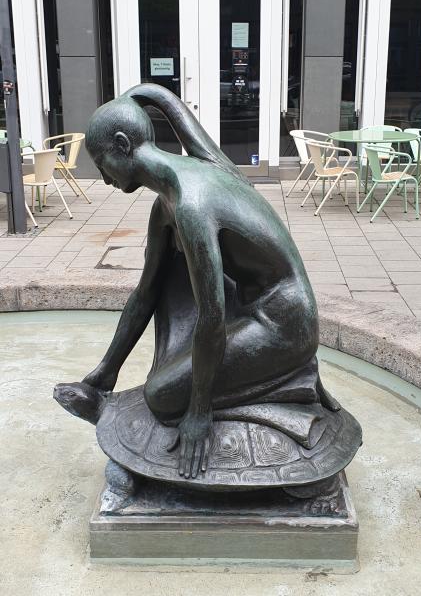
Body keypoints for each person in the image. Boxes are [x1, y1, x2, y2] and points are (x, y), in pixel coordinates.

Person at [82, 84, 338, 479]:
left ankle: (293, 383)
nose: (103, 178)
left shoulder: (191, 203)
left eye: (102, 163)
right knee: (166, 272)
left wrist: (198, 409)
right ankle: (257, 379)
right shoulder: (176, 194)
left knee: (161, 397)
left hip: (285, 324)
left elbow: (212, 315)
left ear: (122, 144)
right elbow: (145, 293)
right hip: (252, 308)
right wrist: (106, 371)